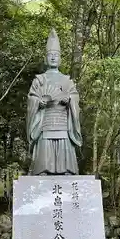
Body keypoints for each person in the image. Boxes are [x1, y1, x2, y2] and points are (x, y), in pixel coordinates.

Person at [26, 29, 83, 175]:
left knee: (64, 144)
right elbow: (32, 98)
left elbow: (75, 97)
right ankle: (43, 170)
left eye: (56, 55)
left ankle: (67, 170)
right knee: (45, 145)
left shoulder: (67, 80)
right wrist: (39, 102)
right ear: (46, 58)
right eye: (50, 55)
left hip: (62, 120)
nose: (53, 58)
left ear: (60, 59)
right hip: (46, 119)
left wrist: (69, 99)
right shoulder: (39, 79)